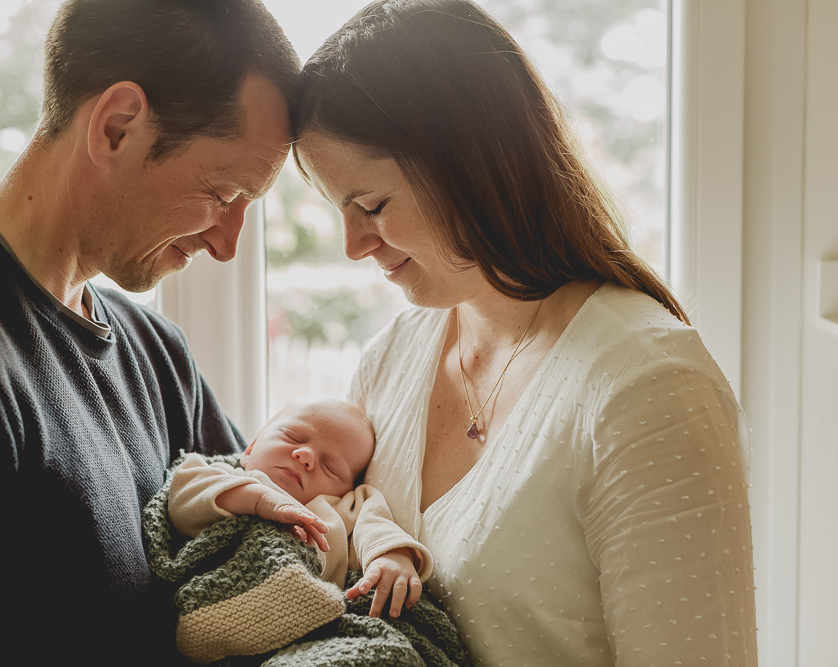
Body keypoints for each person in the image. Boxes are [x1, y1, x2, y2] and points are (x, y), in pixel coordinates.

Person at [291, 1, 757, 665]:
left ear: (468, 163)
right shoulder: (390, 359)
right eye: (339, 210)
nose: (353, 244)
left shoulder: (648, 390)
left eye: (371, 206)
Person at [0, 1, 298, 664]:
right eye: (224, 193)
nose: (227, 243)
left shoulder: (159, 356)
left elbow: (279, 561)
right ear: (118, 127)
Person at [166, 395, 432, 618]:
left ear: (348, 489)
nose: (305, 456)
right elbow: (182, 498)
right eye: (292, 437)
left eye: (330, 467)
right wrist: (260, 500)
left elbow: (376, 526)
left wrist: (391, 556)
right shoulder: (227, 476)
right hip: (216, 600)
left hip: (307, 620)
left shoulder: (344, 508)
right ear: (252, 446)